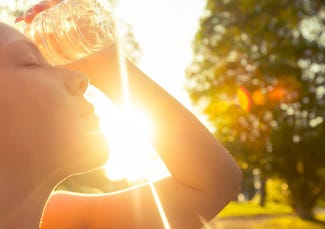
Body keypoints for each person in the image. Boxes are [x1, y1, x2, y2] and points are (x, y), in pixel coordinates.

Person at [0, 1, 242, 228]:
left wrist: (104, 64)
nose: (82, 79)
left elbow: (215, 182)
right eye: (31, 61)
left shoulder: (58, 219)